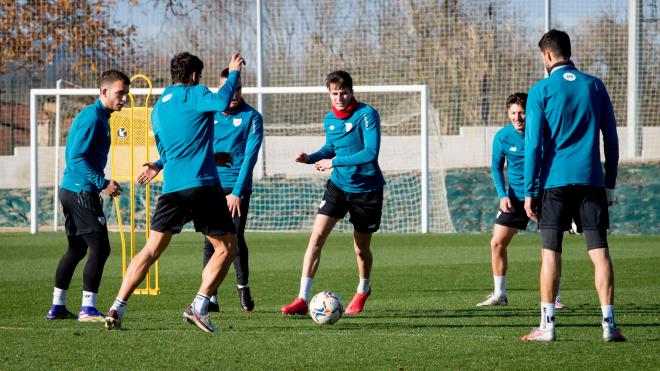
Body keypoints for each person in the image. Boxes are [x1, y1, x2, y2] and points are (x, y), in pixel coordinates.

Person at [104, 51, 245, 333]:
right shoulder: (195, 93)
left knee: (151, 250)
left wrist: (158, 165)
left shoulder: (159, 107)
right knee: (228, 247)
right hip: (202, 186)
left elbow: (173, 150)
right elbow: (220, 101)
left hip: (172, 190)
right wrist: (233, 73)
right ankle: (199, 305)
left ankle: (117, 307)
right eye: (199, 77)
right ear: (193, 76)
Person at [521, 30, 625, 342]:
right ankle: (609, 326)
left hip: (555, 183)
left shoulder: (541, 90)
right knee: (599, 252)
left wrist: (529, 191)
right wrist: (610, 182)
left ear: (548, 56)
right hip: (592, 180)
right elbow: (612, 138)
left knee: (550, 253)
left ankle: (547, 327)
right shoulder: (595, 85)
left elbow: (534, 147)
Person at [281, 70, 385, 316]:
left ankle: (363, 289)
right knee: (316, 239)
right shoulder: (329, 118)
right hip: (338, 187)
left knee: (360, 249)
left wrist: (333, 162)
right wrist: (310, 158)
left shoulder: (367, 115)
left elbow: (370, 153)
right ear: (329, 93)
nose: (339, 98)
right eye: (334, 93)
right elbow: (330, 147)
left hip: (366, 189)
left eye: (344, 92)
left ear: (352, 91)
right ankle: (302, 299)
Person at [47, 70, 128, 322]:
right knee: (101, 248)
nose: (124, 98)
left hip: (75, 190)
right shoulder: (93, 118)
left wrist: (95, 188)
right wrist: (101, 183)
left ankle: (58, 306)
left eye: (126, 93)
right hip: (79, 190)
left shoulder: (100, 117)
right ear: (104, 92)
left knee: (77, 248)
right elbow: (76, 158)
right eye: (120, 93)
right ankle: (88, 308)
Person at [476, 93, 564, 308]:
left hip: (543, 195)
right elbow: (496, 167)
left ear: (530, 113)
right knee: (497, 243)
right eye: (513, 113)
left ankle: (555, 297)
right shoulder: (502, 136)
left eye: (522, 113)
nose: (517, 118)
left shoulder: (544, 133)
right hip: (514, 197)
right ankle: (500, 294)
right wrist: (502, 194)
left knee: (550, 248)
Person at [200, 68, 263, 312]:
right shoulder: (210, 113)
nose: (233, 93)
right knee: (209, 242)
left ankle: (242, 287)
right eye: (229, 88)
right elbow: (196, 145)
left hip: (236, 187)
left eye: (237, 88)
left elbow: (250, 157)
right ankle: (210, 297)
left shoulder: (252, 117)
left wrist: (236, 191)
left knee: (233, 239)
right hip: (209, 185)